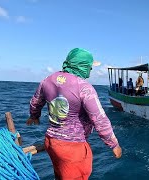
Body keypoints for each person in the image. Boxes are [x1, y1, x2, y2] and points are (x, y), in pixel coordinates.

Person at [26, 48, 122, 180]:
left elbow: (36, 101)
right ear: (81, 66)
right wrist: (113, 144)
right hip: (72, 149)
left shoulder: (47, 80)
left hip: (51, 142)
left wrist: (34, 116)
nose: (91, 69)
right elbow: (99, 119)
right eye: (89, 66)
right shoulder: (84, 87)